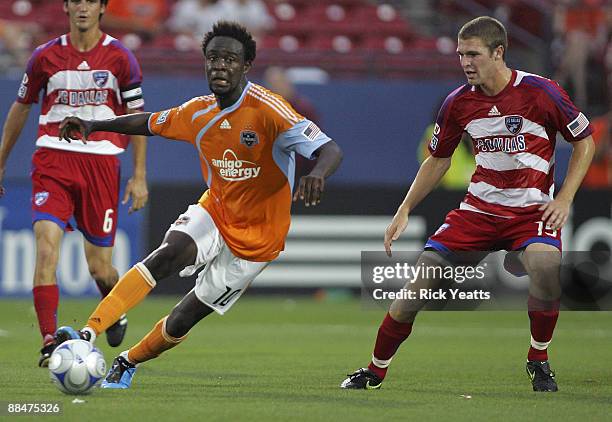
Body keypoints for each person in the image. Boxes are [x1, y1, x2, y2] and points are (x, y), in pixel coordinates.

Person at [55, 21, 343, 389]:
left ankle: (128, 361)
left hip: (259, 240)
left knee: (184, 317)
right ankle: (88, 333)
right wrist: (96, 125)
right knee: (166, 256)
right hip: (217, 210)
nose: (220, 66)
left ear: (246, 66)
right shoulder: (198, 112)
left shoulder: (270, 109)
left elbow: (330, 149)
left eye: (230, 59)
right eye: (213, 58)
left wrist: (318, 173)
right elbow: (148, 122)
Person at [341, 16, 595, 392]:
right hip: (478, 212)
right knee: (416, 288)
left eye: (473, 54)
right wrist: (405, 208)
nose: (465, 62)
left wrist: (565, 197)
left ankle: (538, 359)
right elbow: (438, 159)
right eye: (461, 54)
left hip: (530, 212)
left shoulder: (542, 92)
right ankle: (374, 371)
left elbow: (584, 141)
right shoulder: (458, 102)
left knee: (545, 265)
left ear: (498, 52)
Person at [0, 0, 149, 367]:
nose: (83, 7)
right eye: (76, 0)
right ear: (66, 7)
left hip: (100, 164)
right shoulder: (43, 57)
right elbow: (21, 106)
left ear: (102, 8)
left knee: (100, 268)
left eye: (91, 1)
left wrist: (140, 175)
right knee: (47, 249)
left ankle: (115, 307)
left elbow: (137, 117)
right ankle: (50, 342)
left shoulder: (121, 57)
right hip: (52, 160)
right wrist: (1, 162)